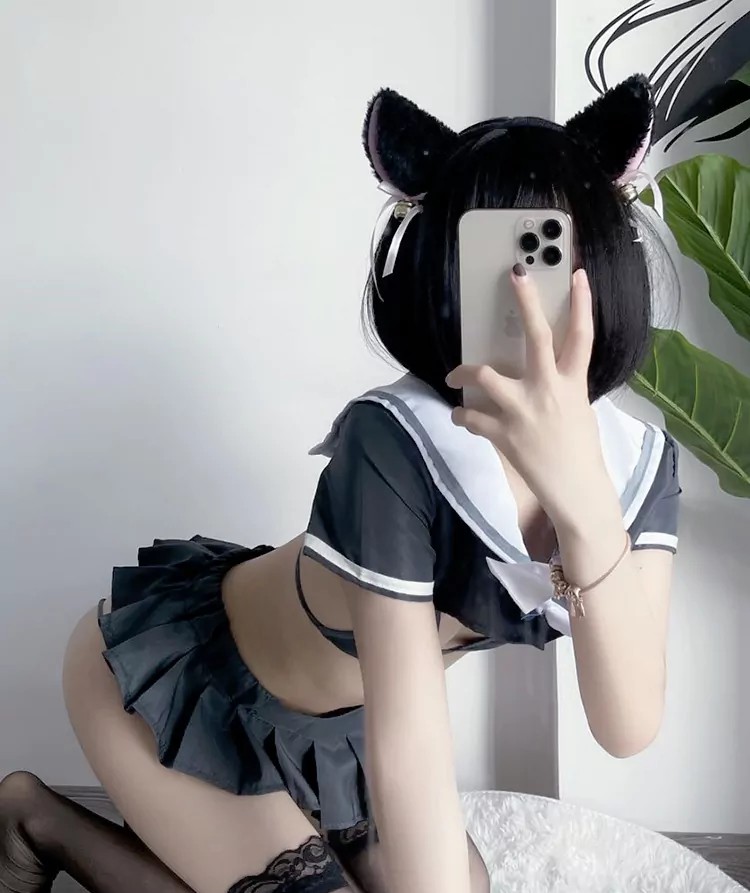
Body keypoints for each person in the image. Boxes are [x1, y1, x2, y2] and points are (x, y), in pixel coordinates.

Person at [0, 73, 681, 893]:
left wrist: (581, 496)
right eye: (490, 257)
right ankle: (33, 818)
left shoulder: (637, 463)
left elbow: (627, 723)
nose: (520, 290)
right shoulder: (394, 441)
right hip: (187, 690)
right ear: (442, 267)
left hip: (345, 731)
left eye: (548, 251)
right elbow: (412, 744)